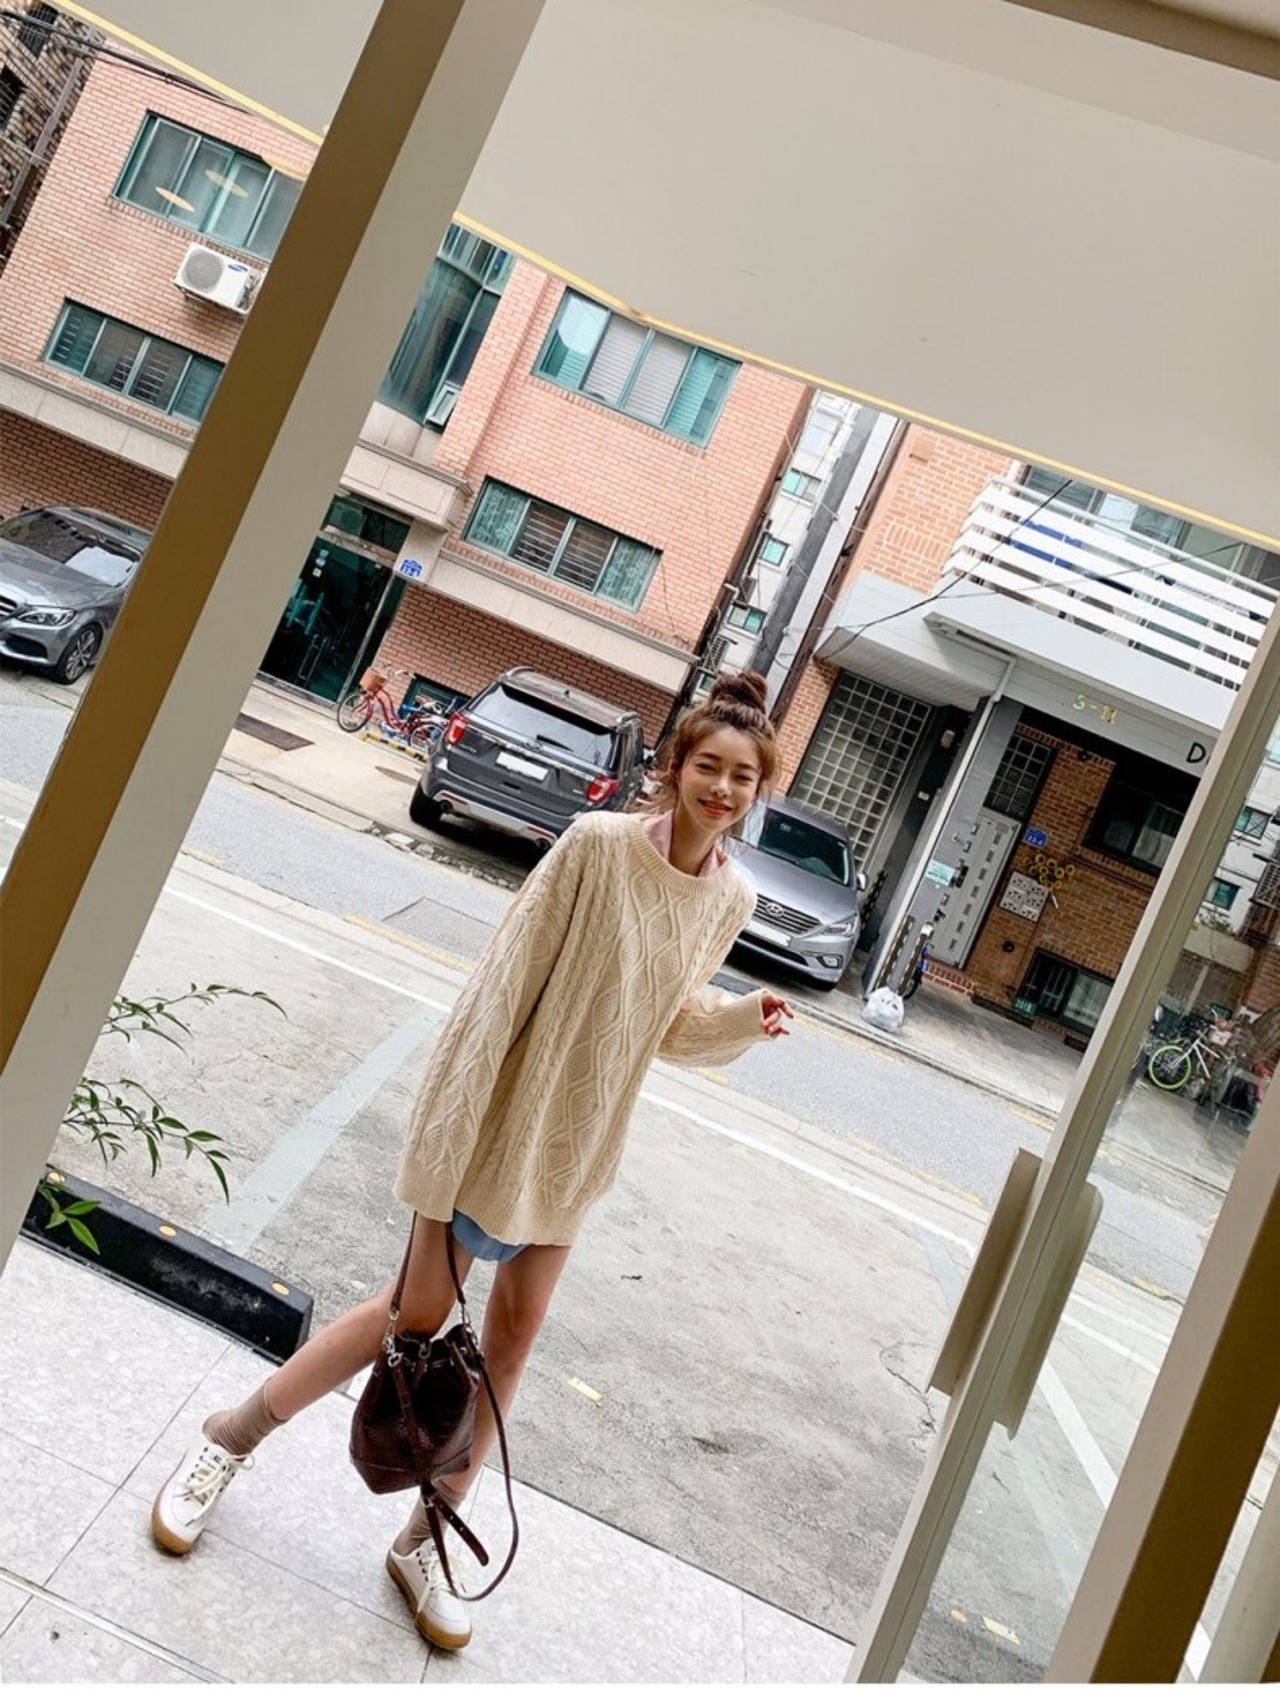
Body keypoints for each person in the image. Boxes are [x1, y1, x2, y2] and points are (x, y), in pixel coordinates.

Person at [151, 671, 793, 1651]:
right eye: (709, 765)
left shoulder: (730, 898)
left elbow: (665, 1022)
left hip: (577, 1141)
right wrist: (449, 1135)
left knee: (512, 1348)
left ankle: (428, 1539)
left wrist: (744, 1018)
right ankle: (228, 1439)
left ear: (759, 789)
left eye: (743, 776)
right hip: (493, 1123)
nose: (723, 787)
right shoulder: (597, 845)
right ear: (675, 767)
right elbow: (503, 983)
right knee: (405, 1322)